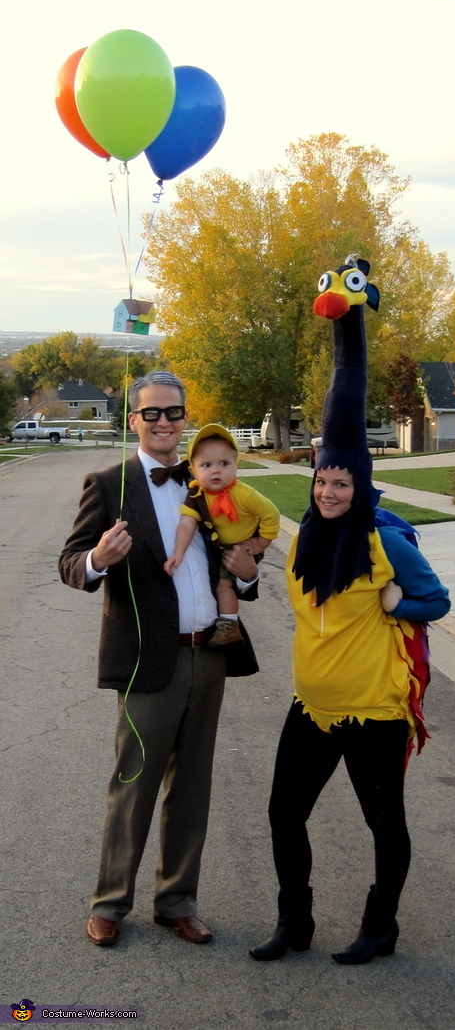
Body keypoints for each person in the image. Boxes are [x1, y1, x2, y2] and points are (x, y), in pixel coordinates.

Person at [249, 257, 451, 965]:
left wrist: (402, 602)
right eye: (322, 479)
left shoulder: (383, 540)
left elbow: (438, 599)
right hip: (312, 706)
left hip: (374, 709)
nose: (329, 490)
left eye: (341, 481)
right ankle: (294, 920)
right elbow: (344, 389)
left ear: (359, 484)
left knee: (383, 823)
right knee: (283, 813)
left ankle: (380, 924)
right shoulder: (306, 538)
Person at [59, 370, 260, 948]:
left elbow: (238, 558)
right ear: (134, 421)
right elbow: (71, 563)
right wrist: (98, 556)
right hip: (149, 662)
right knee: (134, 783)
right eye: (153, 414)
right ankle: (110, 903)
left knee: (193, 785)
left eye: (174, 413)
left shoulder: (209, 483)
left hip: (210, 655)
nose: (166, 423)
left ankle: (177, 900)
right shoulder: (109, 483)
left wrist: (246, 578)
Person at [164, 423, 280, 646]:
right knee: (214, 581)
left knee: (223, 585)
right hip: (221, 547)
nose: (215, 470)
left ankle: (229, 626)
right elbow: (187, 523)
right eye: (206, 465)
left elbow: (271, 514)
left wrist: (261, 543)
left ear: (236, 465)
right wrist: (178, 553)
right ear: (193, 470)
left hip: (244, 546)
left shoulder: (245, 494)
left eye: (224, 463)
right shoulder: (197, 495)